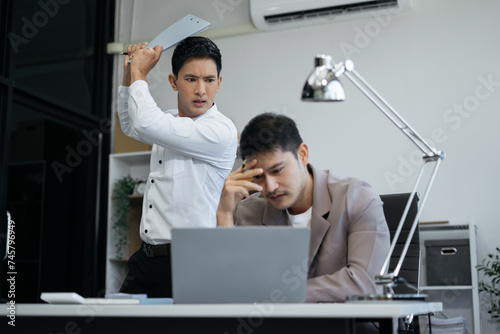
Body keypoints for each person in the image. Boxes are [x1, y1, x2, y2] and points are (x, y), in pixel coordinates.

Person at [217, 112, 390, 303]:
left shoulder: (357, 198)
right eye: (258, 176)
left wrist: (277, 295)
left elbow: (366, 283)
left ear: (303, 154)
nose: (270, 187)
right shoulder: (250, 211)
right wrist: (225, 213)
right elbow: (231, 287)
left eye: (277, 171)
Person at [117, 36, 238, 297]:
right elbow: (130, 124)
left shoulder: (220, 131)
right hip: (146, 258)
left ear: (219, 83)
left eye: (209, 80)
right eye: (191, 79)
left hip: (190, 261)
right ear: (174, 82)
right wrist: (130, 70)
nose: (201, 90)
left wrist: (140, 71)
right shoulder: (168, 122)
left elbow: (146, 122)